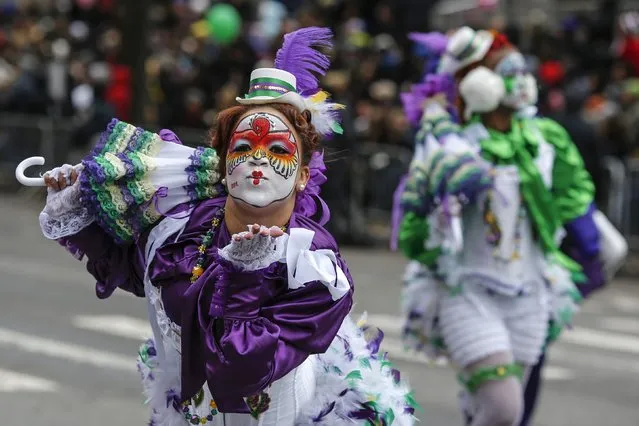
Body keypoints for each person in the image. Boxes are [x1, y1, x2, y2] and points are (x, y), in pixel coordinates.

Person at [32, 27, 417, 426]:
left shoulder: (314, 267)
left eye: (279, 150)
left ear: (303, 176)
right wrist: (73, 210)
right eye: (244, 147)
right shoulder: (183, 228)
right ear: (223, 162)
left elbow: (239, 374)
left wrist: (245, 277)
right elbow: (131, 268)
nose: (258, 160)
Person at [395, 27, 599, 426]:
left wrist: (583, 239)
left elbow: (572, 198)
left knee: (494, 410)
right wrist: (443, 199)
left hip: (531, 292)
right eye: (508, 70)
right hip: (469, 289)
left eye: (524, 69)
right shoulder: (453, 146)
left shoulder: (544, 139)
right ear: (478, 82)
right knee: (504, 409)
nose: (522, 79)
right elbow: (415, 230)